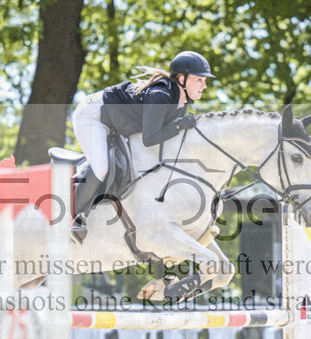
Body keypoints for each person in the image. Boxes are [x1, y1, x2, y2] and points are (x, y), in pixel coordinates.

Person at [69, 51, 215, 241]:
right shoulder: (160, 96)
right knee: (101, 167)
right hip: (93, 115)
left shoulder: (180, 102)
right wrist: (179, 126)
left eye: (205, 80)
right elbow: (150, 138)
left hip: (114, 122)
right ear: (182, 79)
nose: (204, 85)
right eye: (199, 80)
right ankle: (73, 219)